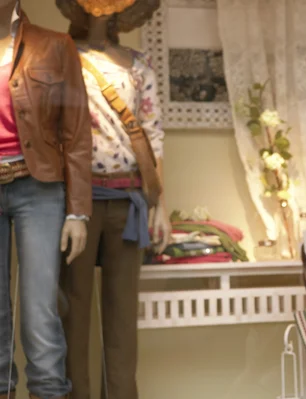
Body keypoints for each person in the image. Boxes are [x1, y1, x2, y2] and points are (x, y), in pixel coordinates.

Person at [55, 1, 170, 398]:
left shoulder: (138, 65)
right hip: (76, 203)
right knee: (74, 311)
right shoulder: (63, 57)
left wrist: (160, 205)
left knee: (122, 320)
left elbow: (152, 134)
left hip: (128, 200)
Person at [0, 0, 92, 398]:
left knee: (39, 312)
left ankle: (50, 392)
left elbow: (76, 132)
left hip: (38, 188)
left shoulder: (54, 46)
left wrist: (78, 212)